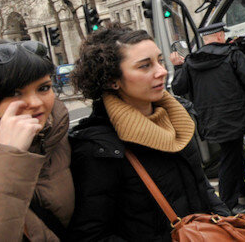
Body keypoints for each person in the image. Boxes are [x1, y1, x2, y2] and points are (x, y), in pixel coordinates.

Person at [67, 24, 230, 240]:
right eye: (145, 66)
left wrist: (227, 223)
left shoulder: (178, 118)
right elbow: (92, 234)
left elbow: (202, 187)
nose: (162, 71)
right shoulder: (98, 148)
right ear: (111, 80)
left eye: (160, 61)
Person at [170, 22, 245, 215]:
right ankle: (229, 203)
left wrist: (178, 67)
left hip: (209, 118)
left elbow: (179, 88)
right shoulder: (232, 54)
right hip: (235, 115)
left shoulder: (190, 61)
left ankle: (242, 187)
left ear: (205, 39)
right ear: (220, 36)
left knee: (233, 153)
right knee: (230, 157)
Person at [0, 39, 73, 241]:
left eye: (44, 88)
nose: (36, 103)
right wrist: (10, 156)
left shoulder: (59, 136)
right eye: (15, 93)